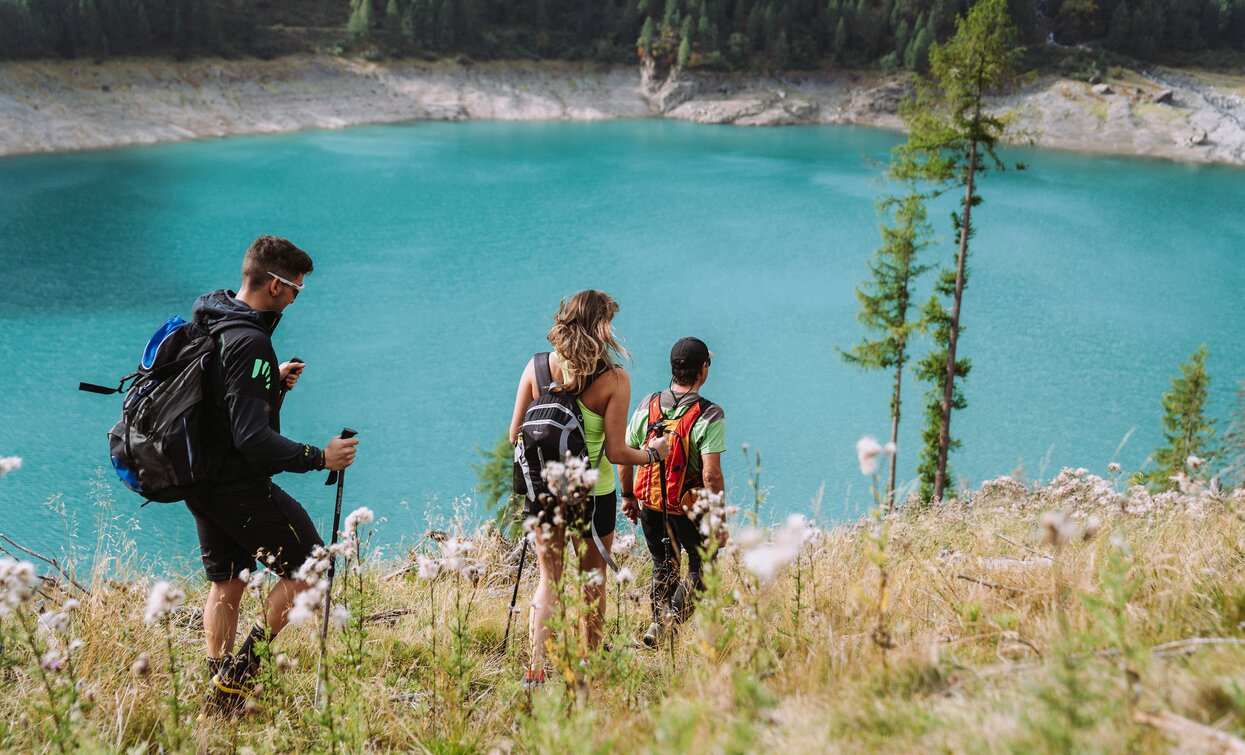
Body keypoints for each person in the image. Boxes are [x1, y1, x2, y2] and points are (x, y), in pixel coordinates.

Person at [186, 235, 359, 707]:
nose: (298, 298)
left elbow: (225, 402)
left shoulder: (211, 316)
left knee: (229, 580)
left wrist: (272, 383)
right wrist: (319, 457)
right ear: (276, 286)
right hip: (235, 485)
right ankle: (236, 680)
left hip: (199, 479)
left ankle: (217, 684)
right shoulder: (252, 341)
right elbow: (253, 439)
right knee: (313, 566)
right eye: (298, 290)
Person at [508, 290, 670, 688]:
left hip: (543, 494)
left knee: (549, 580)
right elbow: (616, 453)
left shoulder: (537, 367)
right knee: (592, 581)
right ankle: (587, 669)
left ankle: (535, 670)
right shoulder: (614, 378)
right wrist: (653, 454)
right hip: (594, 495)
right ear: (601, 327)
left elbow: (515, 434)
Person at [620, 337, 726, 648]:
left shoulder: (647, 405)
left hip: (652, 503)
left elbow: (625, 454)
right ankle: (670, 622)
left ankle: (657, 623)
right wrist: (718, 518)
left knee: (662, 564)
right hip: (690, 507)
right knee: (701, 568)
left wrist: (627, 496)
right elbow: (711, 473)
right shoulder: (709, 414)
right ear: (702, 371)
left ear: (673, 369)